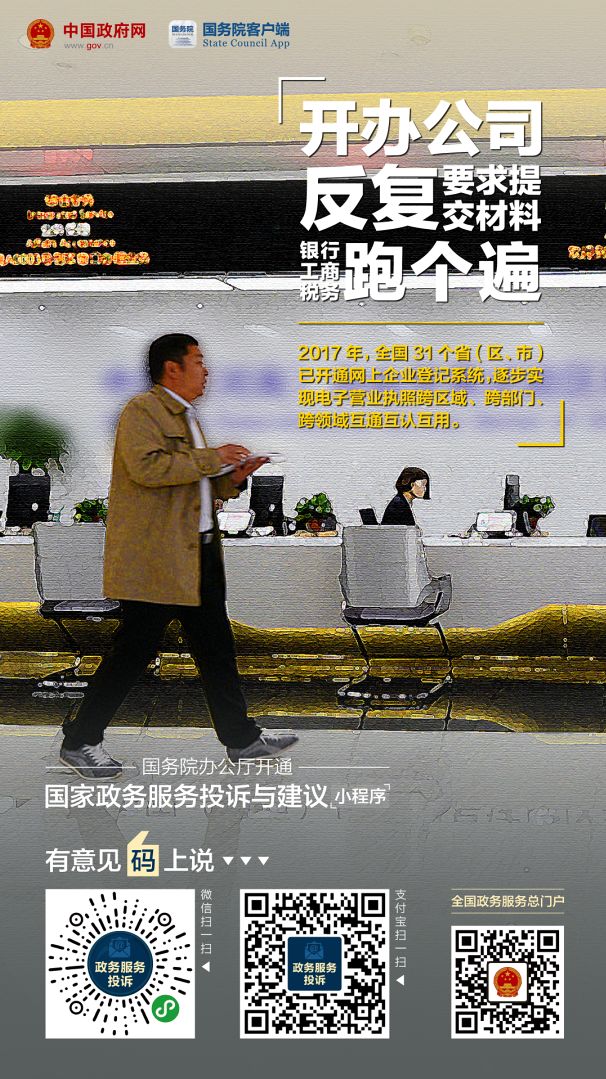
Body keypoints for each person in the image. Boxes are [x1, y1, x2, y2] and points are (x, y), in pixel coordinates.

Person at [60, 333, 298, 778]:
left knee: (216, 649)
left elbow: (193, 482)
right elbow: (147, 468)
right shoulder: (142, 410)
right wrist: (213, 457)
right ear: (173, 368)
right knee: (133, 651)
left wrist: (234, 477)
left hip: (198, 554)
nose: (206, 371)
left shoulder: (188, 416)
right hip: (159, 559)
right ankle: (80, 740)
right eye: (199, 361)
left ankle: (242, 740)